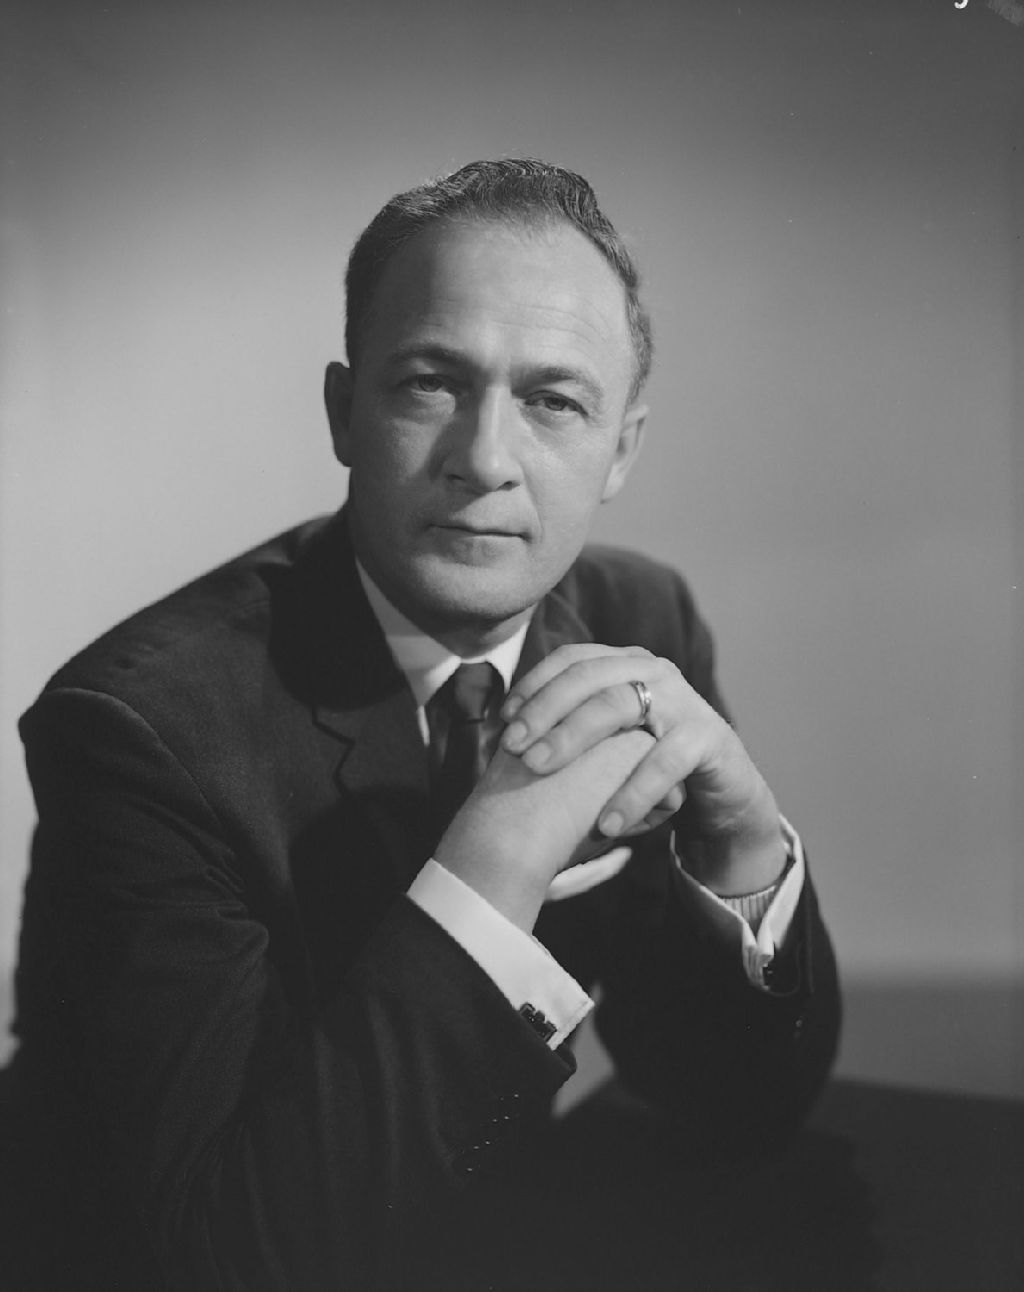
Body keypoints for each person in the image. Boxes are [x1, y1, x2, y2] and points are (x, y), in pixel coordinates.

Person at [5, 158, 840, 1291]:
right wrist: (493, 862)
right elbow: (234, 1251)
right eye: (431, 383)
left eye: (553, 400)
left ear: (622, 449)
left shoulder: (643, 625)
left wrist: (742, 849)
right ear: (344, 414)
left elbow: (735, 1103)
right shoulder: (137, 727)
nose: (484, 459)